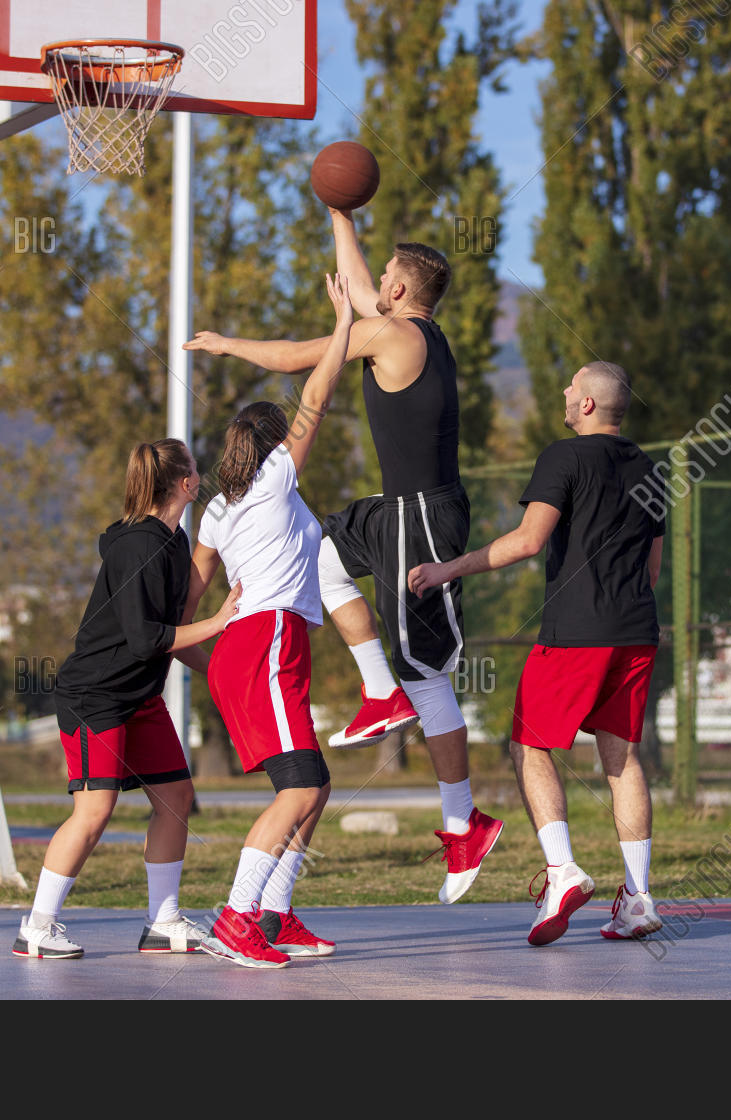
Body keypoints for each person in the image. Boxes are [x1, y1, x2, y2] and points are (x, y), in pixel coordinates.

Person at [185, 208, 501, 904]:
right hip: (392, 511)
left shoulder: (390, 332)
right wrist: (339, 215)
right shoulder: (409, 325)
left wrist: (226, 344)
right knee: (321, 550)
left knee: (427, 672)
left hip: (421, 516)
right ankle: (377, 689)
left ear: (399, 293)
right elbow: (359, 287)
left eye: (384, 277)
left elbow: (302, 358)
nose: (373, 284)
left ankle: (464, 822)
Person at [408, 361, 665, 946]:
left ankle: (561, 869)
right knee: (620, 759)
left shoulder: (564, 457)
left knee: (529, 744)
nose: (564, 391)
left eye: (572, 387)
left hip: (578, 633)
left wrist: (448, 568)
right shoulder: (650, 468)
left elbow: (527, 541)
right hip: (636, 630)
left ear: (592, 405)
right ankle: (639, 897)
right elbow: (651, 569)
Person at [13, 440, 242, 959]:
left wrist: (220, 673)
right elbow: (146, 638)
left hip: (138, 695)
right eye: (195, 468)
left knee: (176, 798)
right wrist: (219, 622)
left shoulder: (174, 540)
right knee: (95, 810)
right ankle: (37, 927)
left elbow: (174, 633)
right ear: (185, 483)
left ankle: (162, 923)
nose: (201, 474)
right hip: (96, 696)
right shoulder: (136, 546)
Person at [192, 274, 352, 969]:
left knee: (315, 783)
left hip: (248, 647)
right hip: (265, 640)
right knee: (298, 787)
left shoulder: (219, 510)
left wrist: (204, 654)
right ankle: (236, 916)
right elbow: (315, 394)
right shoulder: (276, 480)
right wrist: (344, 321)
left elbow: (188, 599)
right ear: (273, 444)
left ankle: (278, 914)